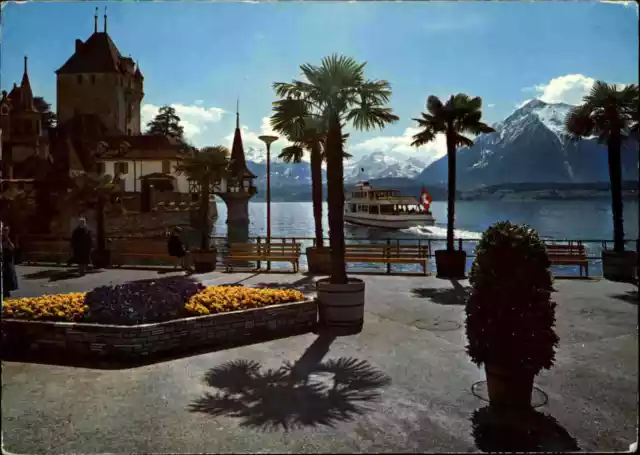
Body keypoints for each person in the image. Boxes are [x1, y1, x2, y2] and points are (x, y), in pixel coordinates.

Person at [2, 224, 19, 298]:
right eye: (4, 230)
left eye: (7, 230)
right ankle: (5, 291)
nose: (6, 232)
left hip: (9, 259)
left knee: (10, 275)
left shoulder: (10, 238)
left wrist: (8, 240)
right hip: (3, 259)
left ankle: (7, 290)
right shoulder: (2, 238)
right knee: (4, 276)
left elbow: (12, 247)